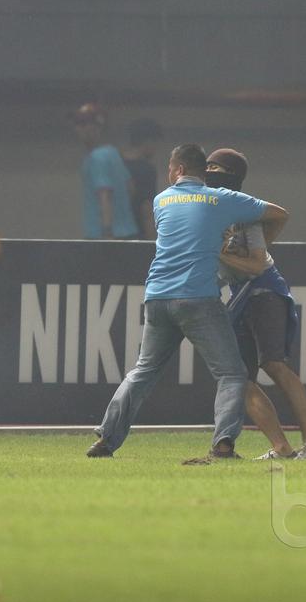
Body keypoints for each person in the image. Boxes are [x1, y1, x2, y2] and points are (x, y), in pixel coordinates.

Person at [87, 144, 289, 461]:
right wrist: (259, 248)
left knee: (143, 371)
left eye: (170, 169)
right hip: (198, 299)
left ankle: (106, 439)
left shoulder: (161, 200)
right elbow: (279, 213)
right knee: (232, 374)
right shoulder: (223, 200)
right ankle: (223, 445)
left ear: (178, 170)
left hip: (157, 297)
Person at [205, 148, 306, 461]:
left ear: (230, 177)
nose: (208, 173)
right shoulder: (211, 212)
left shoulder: (245, 213)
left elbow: (258, 265)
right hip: (241, 297)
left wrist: (216, 253)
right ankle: (281, 447)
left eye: (214, 169)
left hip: (264, 291)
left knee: (274, 363)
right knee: (240, 379)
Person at [73, 103, 138, 240]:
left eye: (85, 124)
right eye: (78, 124)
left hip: (103, 235)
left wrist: (107, 232)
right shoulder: (113, 153)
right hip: (127, 232)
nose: (79, 129)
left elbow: (105, 195)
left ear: (98, 128)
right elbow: (131, 188)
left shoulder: (96, 158)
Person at [123, 117, 164, 239]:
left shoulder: (118, 163)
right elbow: (146, 208)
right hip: (137, 232)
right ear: (148, 141)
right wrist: (152, 242)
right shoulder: (146, 169)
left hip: (115, 232)